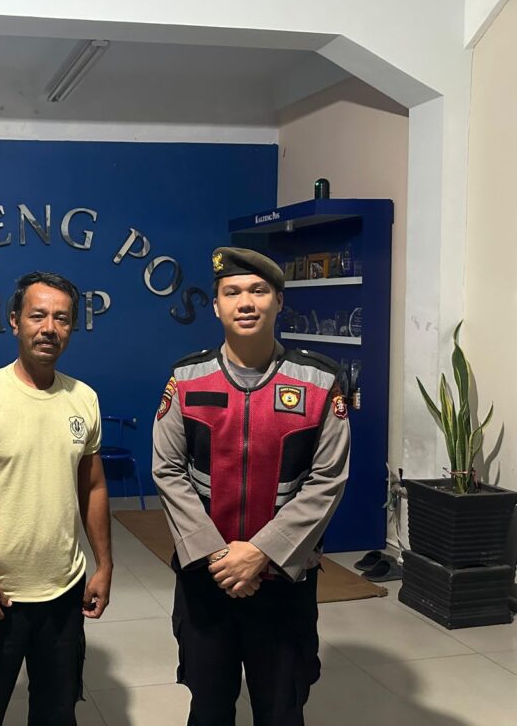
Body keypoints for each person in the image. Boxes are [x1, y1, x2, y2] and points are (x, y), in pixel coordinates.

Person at [152, 247, 350, 726]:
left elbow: (328, 478)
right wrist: (218, 556)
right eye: (232, 292)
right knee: (208, 709)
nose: (245, 302)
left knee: (282, 710)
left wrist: (262, 552)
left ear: (279, 301)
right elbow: (168, 470)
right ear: (216, 305)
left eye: (259, 291)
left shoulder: (320, 381)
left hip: (284, 583)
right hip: (207, 580)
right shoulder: (186, 377)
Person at [0, 270, 113, 726]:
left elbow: (93, 486)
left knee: (57, 714)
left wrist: (104, 564)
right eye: (38, 316)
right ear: (14, 321)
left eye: (62, 318)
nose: (49, 328)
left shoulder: (84, 399)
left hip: (63, 593)